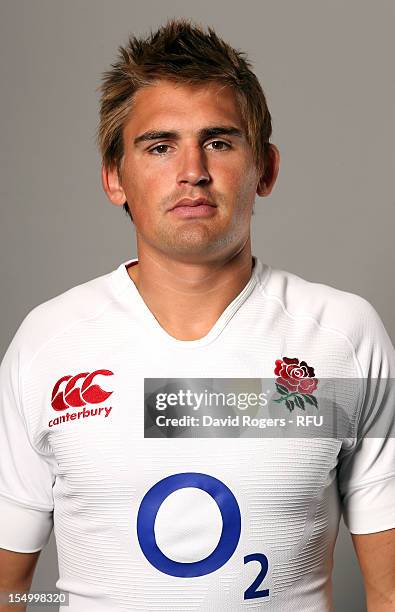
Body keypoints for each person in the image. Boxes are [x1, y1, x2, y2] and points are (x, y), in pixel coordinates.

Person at [0, 18, 394, 612]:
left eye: (219, 141)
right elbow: (7, 586)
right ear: (114, 177)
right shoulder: (49, 343)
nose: (193, 170)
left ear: (266, 167)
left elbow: (389, 590)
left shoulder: (343, 336)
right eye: (160, 146)